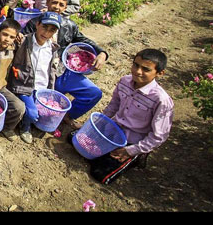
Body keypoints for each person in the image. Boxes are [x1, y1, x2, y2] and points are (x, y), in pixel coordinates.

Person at [68, 49, 173, 185]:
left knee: (100, 173)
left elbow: (159, 136)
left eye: (146, 69)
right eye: (136, 65)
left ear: (159, 73)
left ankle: (137, 157)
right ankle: (105, 155)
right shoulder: (125, 82)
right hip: (111, 131)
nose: (138, 71)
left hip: (131, 142)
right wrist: (93, 127)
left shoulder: (161, 100)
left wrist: (131, 150)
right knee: (73, 138)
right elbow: (113, 106)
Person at [23, 0, 106, 128]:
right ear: (48, 2)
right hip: (38, 74)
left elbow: (83, 40)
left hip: (61, 72)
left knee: (93, 93)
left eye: (61, 4)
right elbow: (21, 40)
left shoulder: (69, 26)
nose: (57, 7)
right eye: (54, 2)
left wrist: (102, 53)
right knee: (36, 114)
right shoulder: (35, 23)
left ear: (66, 7)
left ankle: (68, 115)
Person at [8, 11, 63, 143]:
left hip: (42, 88)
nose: (46, 33)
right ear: (37, 24)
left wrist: (51, 88)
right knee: (33, 114)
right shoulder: (23, 41)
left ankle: (30, 116)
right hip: (24, 86)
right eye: (44, 27)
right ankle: (25, 127)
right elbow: (3, 39)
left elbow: (53, 70)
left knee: (49, 114)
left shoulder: (52, 48)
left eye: (51, 30)